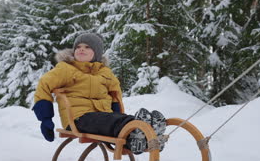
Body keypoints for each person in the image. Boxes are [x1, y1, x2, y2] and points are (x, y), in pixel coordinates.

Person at [32, 33, 166, 154]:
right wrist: (45, 119)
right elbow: (44, 85)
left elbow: (115, 96)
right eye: (78, 46)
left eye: (87, 47)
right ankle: (138, 127)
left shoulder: (105, 73)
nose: (81, 49)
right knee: (110, 121)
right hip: (78, 118)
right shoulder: (66, 69)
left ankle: (141, 137)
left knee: (111, 120)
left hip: (104, 116)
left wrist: (118, 114)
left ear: (96, 52)